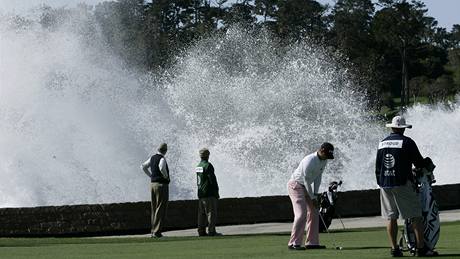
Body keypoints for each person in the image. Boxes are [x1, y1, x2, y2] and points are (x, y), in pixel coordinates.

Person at [376, 116, 438, 257]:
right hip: (402, 183)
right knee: (415, 216)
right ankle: (421, 248)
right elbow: (419, 162)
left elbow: (378, 167)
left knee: (391, 217)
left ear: (391, 127)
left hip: (385, 184)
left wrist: (381, 182)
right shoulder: (407, 142)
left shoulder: (382, 143)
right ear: (403, 128)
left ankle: (394, 248)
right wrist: (426, 164)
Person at [287, 142, 335, 250]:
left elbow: (318, 177)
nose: (327, 158)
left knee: (314, 212)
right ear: (321, 150)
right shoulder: (309, 161)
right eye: (326, 154)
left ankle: (312, 243)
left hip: (306, 187)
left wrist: (316, 194)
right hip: (296, 185)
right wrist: (312, 197)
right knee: (301, 214)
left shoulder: (324, 160)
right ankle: (293, 243)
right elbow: (306, 180)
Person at [141, 143, 170, 238]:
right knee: (161, 208)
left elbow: (143, 166)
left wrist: (150, 176)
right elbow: (162, 168)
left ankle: (153, 231)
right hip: (161, 185)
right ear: (165, 151)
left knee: (154, 207)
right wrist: (165, 176)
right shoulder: (162, 158)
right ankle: (157, 232)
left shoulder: (152, 158)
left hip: (152, 185)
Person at [195, 148, 221, 236]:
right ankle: (211, 231)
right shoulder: (208, 165)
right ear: (208, 155)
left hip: (201, 193)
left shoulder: (198, 166)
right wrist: (216, 191)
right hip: (209, 193)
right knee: (211, 213)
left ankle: (201, 231)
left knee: (201, 214)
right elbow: (212, 180)